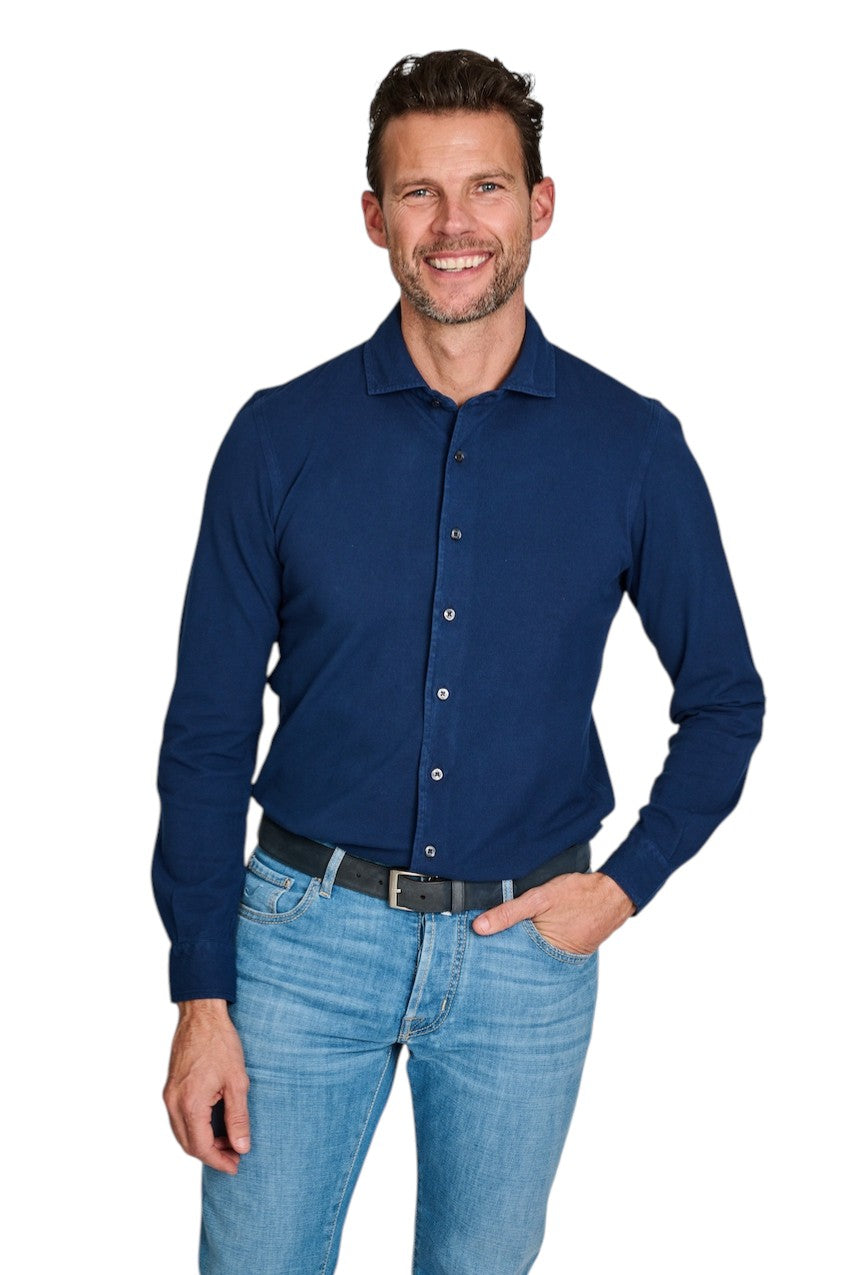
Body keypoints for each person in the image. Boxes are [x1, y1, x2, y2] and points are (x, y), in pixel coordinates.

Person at [153, 49, 765, 1274]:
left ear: (540, 206)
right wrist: (200, 994)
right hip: (300, 943)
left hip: (523, 957)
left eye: (484, 187)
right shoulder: (278, 439)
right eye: (418, 193)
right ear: (373, 217)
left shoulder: (633, 447)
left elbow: (724, 703)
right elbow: (207, 736)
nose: (453, 226)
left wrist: (623, 886)